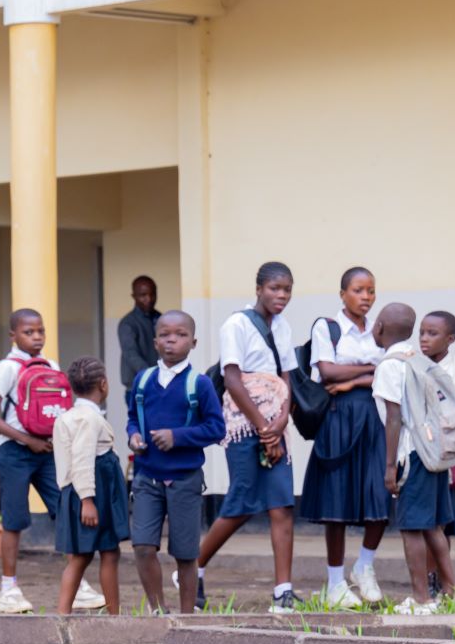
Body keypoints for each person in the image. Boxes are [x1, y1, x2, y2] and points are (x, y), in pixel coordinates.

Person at [194, 262, 301, 614]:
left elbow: (287, 377)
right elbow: (234, 379)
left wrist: (281, 420)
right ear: (258, 288)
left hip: (275, 421)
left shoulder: (282, 327)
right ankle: (193, 567)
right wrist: (262, 427)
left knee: (282, 504)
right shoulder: (236, 325)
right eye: (274, 288)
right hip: (244, 422)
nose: (281, 295)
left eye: (287, 289)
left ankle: (283, 592)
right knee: (241, 503)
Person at [0, 308, 90, 614]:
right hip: (15, 452)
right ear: (13, 335)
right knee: (14, 521)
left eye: (41, 331)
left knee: (64, 511)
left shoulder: (51, 366)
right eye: (29, 332)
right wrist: (27, 440)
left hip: (48, 451)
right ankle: (8, 588)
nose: (37, 337)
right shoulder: (7, 367)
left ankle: (79, 584)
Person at [297, 267, 390, 608]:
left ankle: (364, 565)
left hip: (373, 417)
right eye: (358, 290)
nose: (366, 297)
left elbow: (391, 371)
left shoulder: (380, 331)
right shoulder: (328, 327)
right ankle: (335, 583)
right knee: (336, 502)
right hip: (337, 418)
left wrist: (354, 379)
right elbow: (327, 371)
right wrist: (370, 369)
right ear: (343, 294)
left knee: (380, 495)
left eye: (371, 290)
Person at [126, 311, 226, 613]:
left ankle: (186, 618)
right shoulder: (143, 380)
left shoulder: (200, 384)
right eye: (166, 335)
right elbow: (133, 419)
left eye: (180, 334)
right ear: (155, 342)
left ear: (193, 342)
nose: (172, 340)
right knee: (142, 547)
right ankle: (158, 612)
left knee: (185, 554)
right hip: (147, 477)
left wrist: (177, 437)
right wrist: (133, 437)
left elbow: (216, 428)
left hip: (184, 479)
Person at [370, 303, 455, 612]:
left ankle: (421, 599)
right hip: (434, 451)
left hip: (411, 454)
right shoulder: (418, 359)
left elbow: (394, 418)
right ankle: (453, 592)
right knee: (433, 526)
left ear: (379, 327)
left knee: (411, 528)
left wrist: (390, 466)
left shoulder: (390, 365)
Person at [55, 357, 128, 615]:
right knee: (107, 553)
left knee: (82, 556)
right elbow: (83, 458)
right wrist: (87, 500)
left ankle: (63, 617)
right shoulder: (90, 420)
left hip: (77, 492)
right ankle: (113, 617)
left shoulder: (68, 417)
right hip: (94, 495)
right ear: (104, 384)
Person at [420, 310, 455, 596]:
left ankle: (442, 582)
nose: (424, 339)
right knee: (425, 520)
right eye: (422, 332)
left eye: (432, 334)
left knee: (444, 521)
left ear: (450, 339)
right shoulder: (412, 364)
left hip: (448, 451)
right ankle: (430, 580)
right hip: (420, 451)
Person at [117, 276, 161, 393]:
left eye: (152, 294)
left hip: (161, 385)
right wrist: (152, 376)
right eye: (143, 295)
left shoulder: (161, 318)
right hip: (137, 388)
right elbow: (131, 354)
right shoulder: (128, 323)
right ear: (134, 296)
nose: (149, 299)